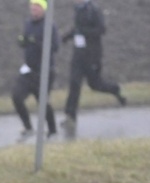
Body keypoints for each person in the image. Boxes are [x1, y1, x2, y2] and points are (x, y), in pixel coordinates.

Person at [60, 0, 126, 128]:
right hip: (78, 55)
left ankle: (115, 89)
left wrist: (83, 32)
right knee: (74, 84)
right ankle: (70, 117)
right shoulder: (78, 10)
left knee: (95, 85)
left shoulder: (94, 10)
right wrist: (65, 37)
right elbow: (77, 28)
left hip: (92, 55)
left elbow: (101, 29)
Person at [11, 0, 59, 141]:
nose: (34, 10)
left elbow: (55, 47)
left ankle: (53, 131)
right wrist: (23, 41)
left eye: (37, 7)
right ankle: (28, 128)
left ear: (43, 9)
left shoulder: (50, 25)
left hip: (45, 71)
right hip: (28, 70)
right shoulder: (28, 23)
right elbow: (25, 41)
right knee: (16, 96)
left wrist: (36, 42)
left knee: (43, 103)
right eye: (32, 7)